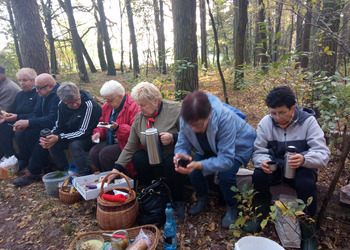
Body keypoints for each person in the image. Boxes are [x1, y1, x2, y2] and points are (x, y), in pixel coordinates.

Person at [245, 86, 330, 249]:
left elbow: (323, 153)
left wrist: (305, 159)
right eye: (273, 113)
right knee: (258, 175)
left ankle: (308, 233)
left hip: (301, 167)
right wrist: (262, 161)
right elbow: (258, 151)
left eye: (281, 112)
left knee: (306, 184)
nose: (277, 118)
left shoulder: (308, 122)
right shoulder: (266, 123)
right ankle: (260, 216)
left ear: (292, 108)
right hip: (276, 167)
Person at [174, 91, 257, 228]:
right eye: (191, 125)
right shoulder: (186, 118)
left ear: (209, 115)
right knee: (194, 173)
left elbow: (226, 160)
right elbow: (182, 144)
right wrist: (180, 155)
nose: (194, 129)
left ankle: (231, 205)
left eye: (199, 124)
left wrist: (199, 164)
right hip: (208, 144)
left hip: (236, 145)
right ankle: (203, 198)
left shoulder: (225, 118)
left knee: (225, 175)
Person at [107, 81, 187, 220]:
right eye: (138, 104)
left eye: (143, 105)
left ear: (155, 101)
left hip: (176, 155)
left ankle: (179, 200)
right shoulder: (140, 118)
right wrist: (116, 169)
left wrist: (173, 137)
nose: (139, 108)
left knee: (172, 161)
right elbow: (130, 146)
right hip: (153, 157)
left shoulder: (175, 110)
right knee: (138, 157)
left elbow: (192, 135)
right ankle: (155, 193)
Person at [39, 82, 102, 176]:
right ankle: (65, 171)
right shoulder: (61, 104)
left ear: (78, 94)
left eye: (76, 100)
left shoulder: (89, 105)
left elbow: (83, 132)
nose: (75, 105)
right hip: (72, 134)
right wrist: (52, 136)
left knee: (74, 145)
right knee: (52, 143)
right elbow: (60, 125)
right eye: (70, 103)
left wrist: (59, 137)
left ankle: (83, 174)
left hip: (90, 136)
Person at [13, 73, 60, 187]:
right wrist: (24, 122)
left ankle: (33, 172)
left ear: (50, 86)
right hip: (45, 124)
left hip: (57, 127)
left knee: (43, 138)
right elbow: (36, 113)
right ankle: (45, 165)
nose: (37, 91)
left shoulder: (57, 95)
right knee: (29, 132)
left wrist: (29, 122)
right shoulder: (41, 94)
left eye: (39, 88)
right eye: (35, 87)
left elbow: (52, 119)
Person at [89, 80, 139, 174]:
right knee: (94, 152)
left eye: (110, 101)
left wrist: (118, 128)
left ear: (120, 96)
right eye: (106, 100)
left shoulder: (133, 106)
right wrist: (98, 133)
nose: (107, 103)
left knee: (105, 154)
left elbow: (135, 132)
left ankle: (119, 179)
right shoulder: (107, 107)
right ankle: (106, 177)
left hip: (126, 143)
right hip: (111, 140)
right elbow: (102, 123)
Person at [0, 68, 39, 169]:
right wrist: (7, 117)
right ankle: (11, 156)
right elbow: (16, 111)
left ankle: (26, 158)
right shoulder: (20, 94)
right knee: (2, 128)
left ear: (33, 80)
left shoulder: (38, 94)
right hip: (18, 121)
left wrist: (18, 117)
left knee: (20, 133)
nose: (22, 83)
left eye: (25, 80)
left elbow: (36, 114)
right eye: (20, 80)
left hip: (31, 122)